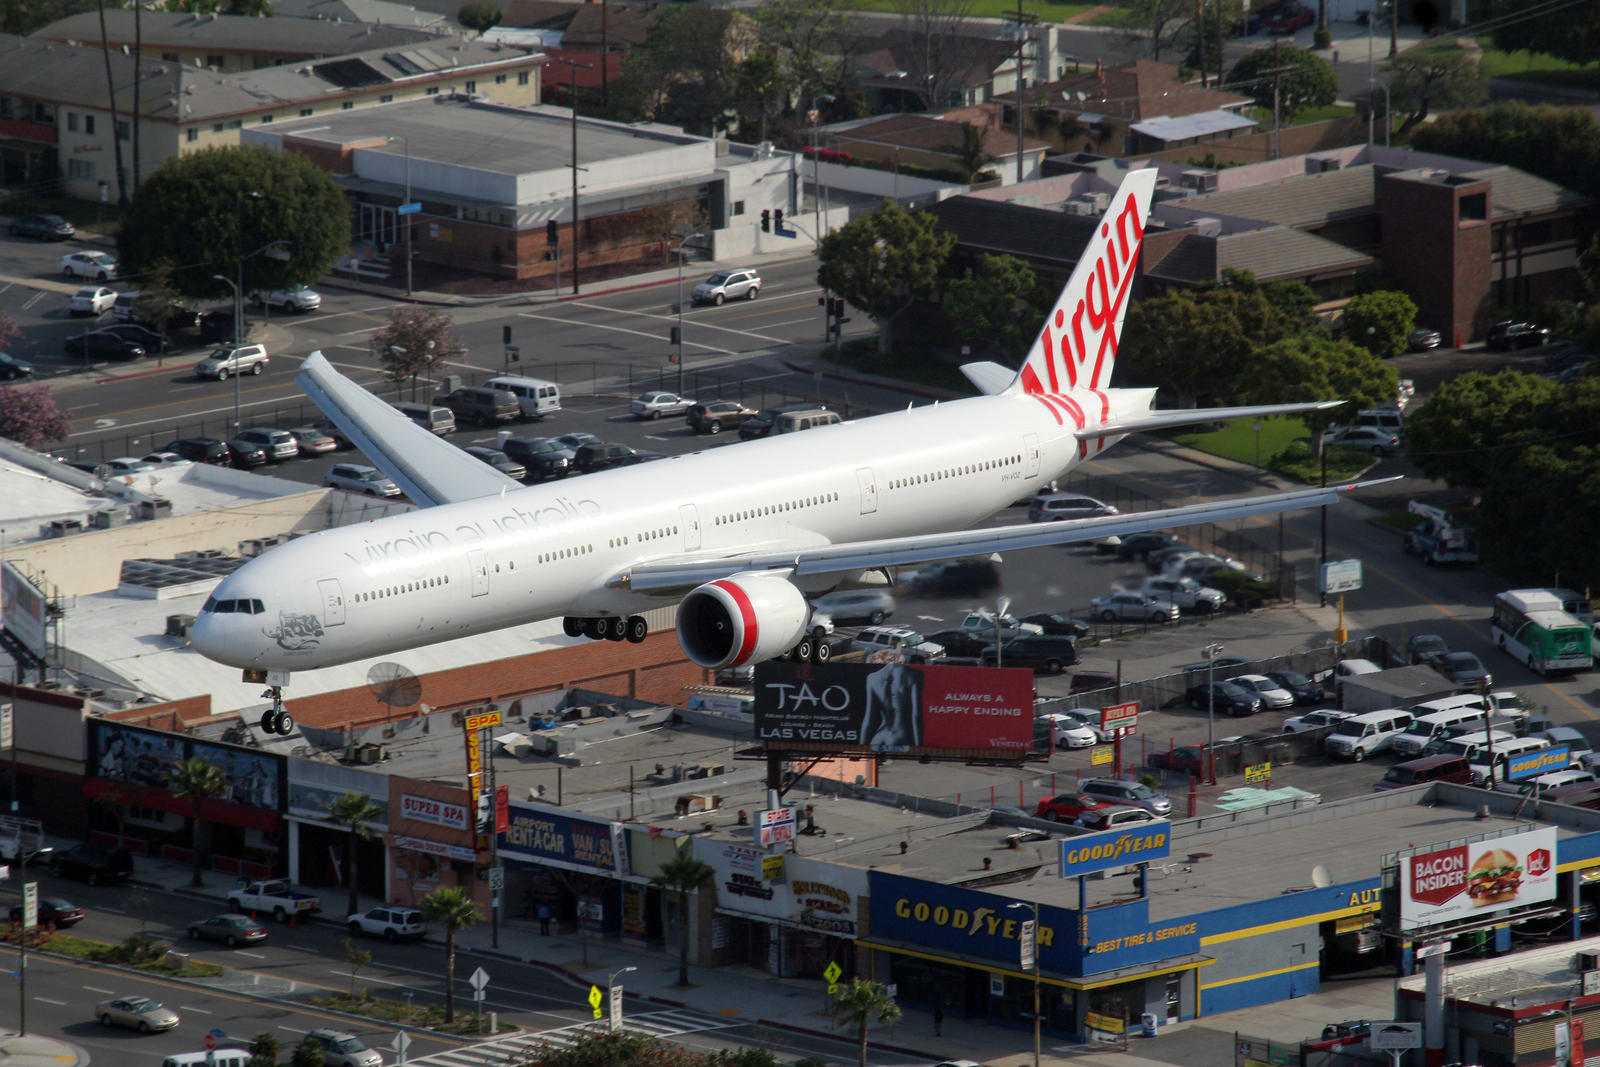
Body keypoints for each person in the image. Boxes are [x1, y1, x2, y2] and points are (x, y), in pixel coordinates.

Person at [860, 662, 923, 751]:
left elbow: (869, 719)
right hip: (901, 734)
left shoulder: (872, 677)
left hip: (879, 736)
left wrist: (861, 748)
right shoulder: (914, 674)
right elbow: (917, 715)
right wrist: (919, 748)